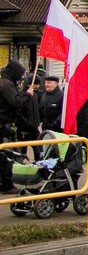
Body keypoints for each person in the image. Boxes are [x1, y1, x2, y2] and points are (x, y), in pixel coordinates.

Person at [0, 60, 36, 192]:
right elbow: (16, 102)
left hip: (5, 125)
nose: (22, 77)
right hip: (5, 127)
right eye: (21, 74)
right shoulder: (7, 85)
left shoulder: (5, 83)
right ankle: (7, 184)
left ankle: (4, 182)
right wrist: (28, 95)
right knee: (7, 156)